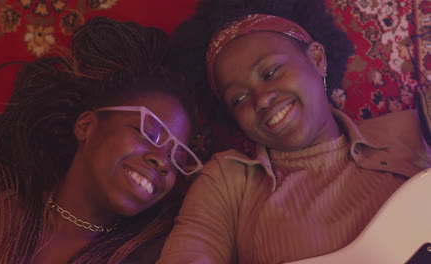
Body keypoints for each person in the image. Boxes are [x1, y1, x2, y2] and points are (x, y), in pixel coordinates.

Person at [157, 0, 431, 263]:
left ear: (317, 58)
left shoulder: (416, 128)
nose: (261, 99)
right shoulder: (227, 183)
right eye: (238, 99)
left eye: (271, 72)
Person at [0, 16, 202, 263]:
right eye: (147, 133)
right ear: (86, 126)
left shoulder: (157, 255)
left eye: (177, 159)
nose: (163, 162)